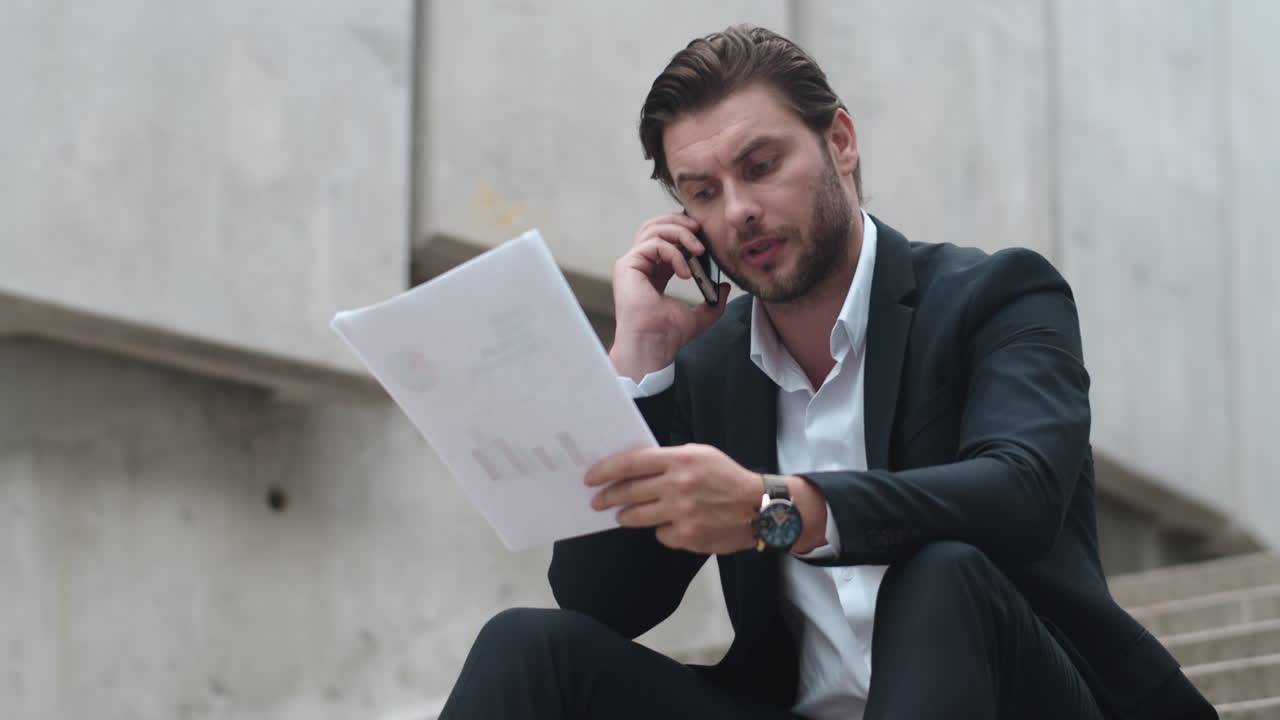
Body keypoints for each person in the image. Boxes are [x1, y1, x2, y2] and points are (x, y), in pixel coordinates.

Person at [439, 24, 1216, 720]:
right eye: (703, 192)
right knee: (526, 649)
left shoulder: (997, 295)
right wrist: (642, 365)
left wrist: (776, 510)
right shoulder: (709, 369)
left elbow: (1021, 494)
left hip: (1024, 694)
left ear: (840, 141)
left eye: (762, 164)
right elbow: (601, 603)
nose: (738, 209)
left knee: (940, 574)